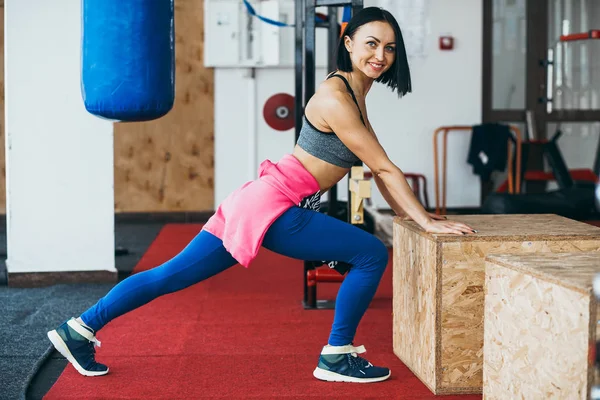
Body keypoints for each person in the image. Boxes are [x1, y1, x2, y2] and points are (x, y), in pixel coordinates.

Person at [47, 7, 475, 384]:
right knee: (370, 255)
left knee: (169, 276)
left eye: (389, 48)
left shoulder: (354, 91)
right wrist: (423, 219)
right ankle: (337, 356)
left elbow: (375, 168)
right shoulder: (335, 97)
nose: (379, 56)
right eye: (370, 44)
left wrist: (406, 212)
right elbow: (382, 166)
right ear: (347, 43)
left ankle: (77, 330)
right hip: (279, 207)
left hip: (258, 201)